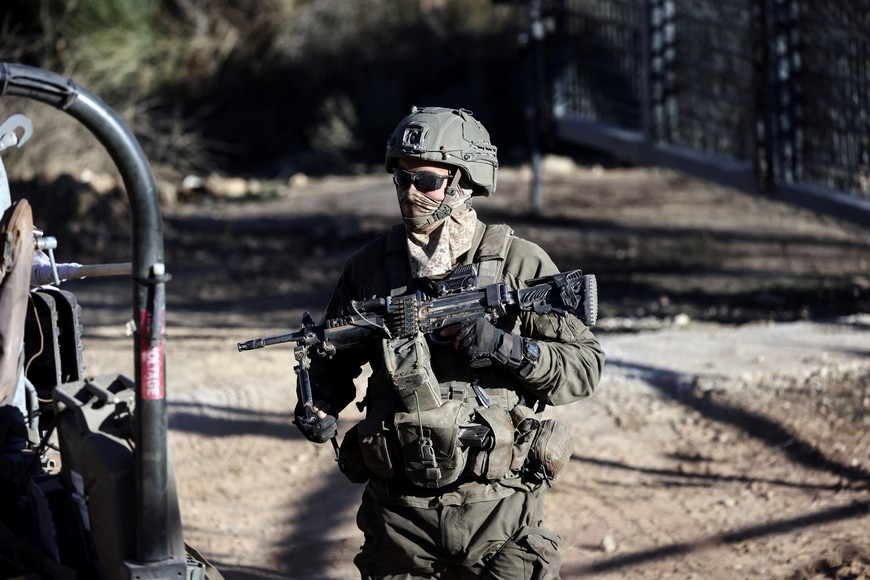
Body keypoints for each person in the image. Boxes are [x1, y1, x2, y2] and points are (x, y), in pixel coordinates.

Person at [294, 106, 605, 579]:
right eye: (401, 180)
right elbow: (335, 355)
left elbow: (583, 369)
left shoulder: (518, 265)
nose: (410, 194)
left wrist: (505, 347)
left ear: (463, 181)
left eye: (426, 182)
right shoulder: (372, 267)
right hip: (399, 519)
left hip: (498, 515)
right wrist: (320, 404)